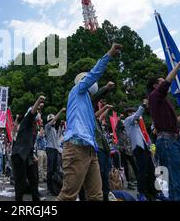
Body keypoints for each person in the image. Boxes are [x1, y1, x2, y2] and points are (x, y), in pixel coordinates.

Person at [57, 43, 122, 201]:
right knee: (68, 196)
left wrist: (105, 96)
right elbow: (94, 74)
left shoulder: (84, 101)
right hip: (76, 146)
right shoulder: (78, 90)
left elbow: (93, 116)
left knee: (96, 195)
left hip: (90, 149)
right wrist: (109, 55)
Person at [147, 56, 180, 201]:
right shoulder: (154, 97)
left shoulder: (163, 102)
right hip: (166, 142)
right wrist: (179, 64)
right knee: (175, 179)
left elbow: (173, 122)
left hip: (174, 140)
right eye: (161, 82)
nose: (165, 83)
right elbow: (167, 83)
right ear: (155, 86)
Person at [11, 95, 45, 201]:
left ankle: (36, 199)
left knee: (34, 179)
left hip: (28, 155)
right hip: (19, 155)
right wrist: (38, 101)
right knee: (20, 182)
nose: (38, 115)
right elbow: (32, 111)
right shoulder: (26, 121)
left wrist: (32, 155)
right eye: (37, 113)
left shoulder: (34, 128)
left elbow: (29, 143)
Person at [123, 100, 158, 201]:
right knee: (142, 172)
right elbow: (136, 116)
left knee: (151, 171)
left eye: (134, 111)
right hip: (138, 149)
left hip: (146, 148)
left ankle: (155, 192)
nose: (133, 113)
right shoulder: (128, 121)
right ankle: (141, 193)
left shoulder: (139, 124)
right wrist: (143, 105)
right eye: (131, 112)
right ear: (128, 114)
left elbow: (146, 136)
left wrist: (152, 149)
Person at [44, 108, 65, 195]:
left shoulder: (54, 130)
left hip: (56, 149)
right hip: (50, 149)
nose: (54, 120)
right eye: (52, 119)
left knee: (56, 169)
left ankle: (55, 186)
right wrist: (60, 111)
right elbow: (54, 119)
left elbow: (58, 139)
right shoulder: (47, 127)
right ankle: (49, 187)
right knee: (50, 169)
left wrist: (61, 126)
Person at [115, 113, 138, 188]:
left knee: (134, 165)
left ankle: (137, 179)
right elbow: (118, 126)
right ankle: (129, 182)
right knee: (126, 166)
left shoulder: (127, 130)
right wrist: (119, 119)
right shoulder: (118, 131)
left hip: (129, 149)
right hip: (123, 149)